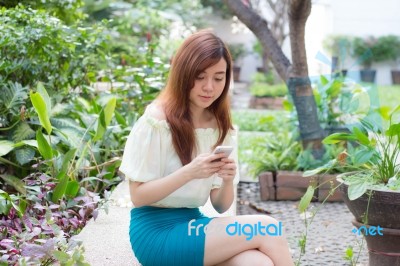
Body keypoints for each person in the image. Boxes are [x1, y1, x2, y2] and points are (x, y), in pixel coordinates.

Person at [119, 29, 294, 266]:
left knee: (256, 263)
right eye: (199, 77)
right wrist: (190, 172)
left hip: (194, 227)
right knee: (269, 228)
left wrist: (227, 180)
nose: (209, 87)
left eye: (218, 78)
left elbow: (220, 206)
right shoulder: (156, 121)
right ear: (183, 74)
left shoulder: (221, 128)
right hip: (155, 232)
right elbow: (138, 196)